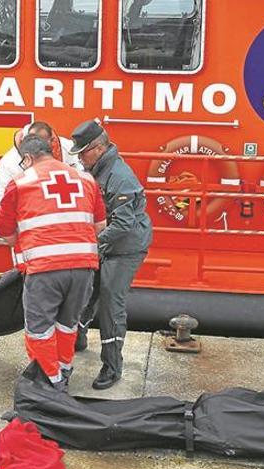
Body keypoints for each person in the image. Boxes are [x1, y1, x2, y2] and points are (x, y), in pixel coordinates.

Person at [0, 135, 106, 393]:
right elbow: (101, 225)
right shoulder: (86, 180)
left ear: (28, 158)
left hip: (45, 270)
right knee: (67, 324)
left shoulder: (20, 183)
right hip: (83, 268)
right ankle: (63, 370)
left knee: (39, 329)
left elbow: (7, 234)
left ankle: (49, 384)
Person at [69, 119, 153, 390]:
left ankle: (112, 366)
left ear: (98, 148)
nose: (80, 158)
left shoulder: (119, 177)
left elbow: (123, 225)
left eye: (82, 152)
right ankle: (77, 338)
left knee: (110, 305)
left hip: (125, 248)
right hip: (107, 245)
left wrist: (91, 242)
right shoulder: (98, 170)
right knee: (87, 291)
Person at [0, 121, 83, 206]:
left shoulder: (67, 148)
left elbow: (83, 180)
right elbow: (4, 201)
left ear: (51, 140)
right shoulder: (8, 162)